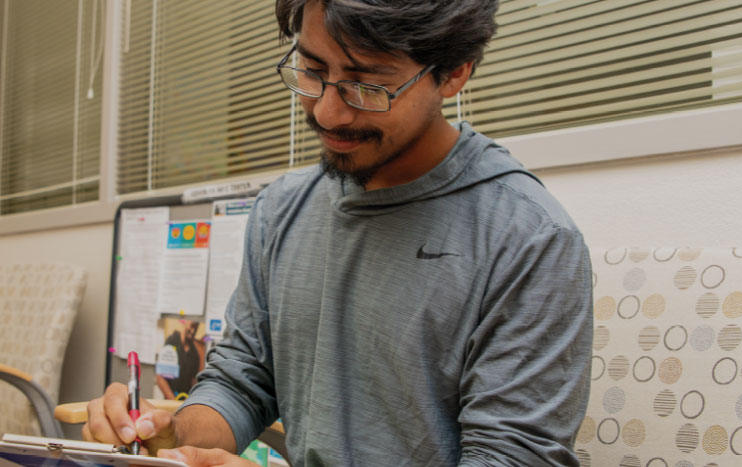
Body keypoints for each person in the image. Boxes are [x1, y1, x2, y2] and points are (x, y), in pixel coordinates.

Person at [84, 1, 593, 465]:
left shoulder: (529, 240)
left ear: (454, 73)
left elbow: (514, 458)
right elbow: (244, 381)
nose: (327, 111)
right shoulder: (282, 209)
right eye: (312, 70)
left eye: (367, 84)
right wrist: (169, 432)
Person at [155, 320, 207, 401]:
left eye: (196, 328)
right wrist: (173, 401)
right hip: (171, 402)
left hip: (185, 402)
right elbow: (160, 379)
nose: (193, 331)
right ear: (185, 322)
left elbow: (194, 380)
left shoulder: (194, 351)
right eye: (192, 326)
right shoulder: (172, 341)